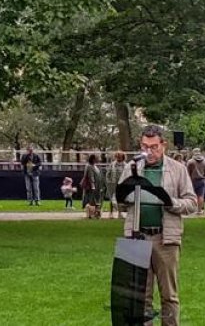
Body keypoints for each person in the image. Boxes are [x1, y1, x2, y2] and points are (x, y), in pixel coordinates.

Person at [118, 125, 197, 326]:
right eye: (145, 146)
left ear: (164, 145)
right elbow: (116, 199)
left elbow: (192, 203)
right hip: (136, 237)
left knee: (169, 295)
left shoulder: (177, 169)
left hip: (166, 239)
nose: (149, 152)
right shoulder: (132, 168)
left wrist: (171, 202)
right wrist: (123, 197)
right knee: (140, 297)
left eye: (154, 147)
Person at [106, 151, 127, 218]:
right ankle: (111, 213)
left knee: (120, 198)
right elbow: (108, 174)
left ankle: (120, 213)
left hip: (122, 184)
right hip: (113, 184)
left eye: (120, 156)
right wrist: (109, 181)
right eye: (117, 156)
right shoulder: (112, 164)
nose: (119, 157)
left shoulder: (126, 165)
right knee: (112, 198)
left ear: (123, 157)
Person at [81, 154, 102, 218]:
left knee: (95, 200)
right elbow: (91, 176)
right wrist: (93, 185)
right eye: (96, 158)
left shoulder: (94, 166)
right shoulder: (89, 166)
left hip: (97, 185)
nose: (98, 160)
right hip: (92, 186)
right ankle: (90, 214)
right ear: (93, 159)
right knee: (91, 200)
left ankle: (94, 213)